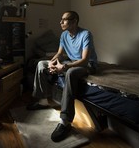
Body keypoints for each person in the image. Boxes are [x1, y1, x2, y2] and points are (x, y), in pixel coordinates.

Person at [27, 10, 98, 142]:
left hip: (88, 65)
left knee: (70, 73)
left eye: (64, 20)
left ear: (74, 21)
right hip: (71, 62)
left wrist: (64, 67)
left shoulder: (86, 34)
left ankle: (65, 121)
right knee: (42, 64)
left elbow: (84, 60)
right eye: (61, 19)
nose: (61, 22)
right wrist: (53, 63)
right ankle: (42, 101)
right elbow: (59, 54)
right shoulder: (64, 35)